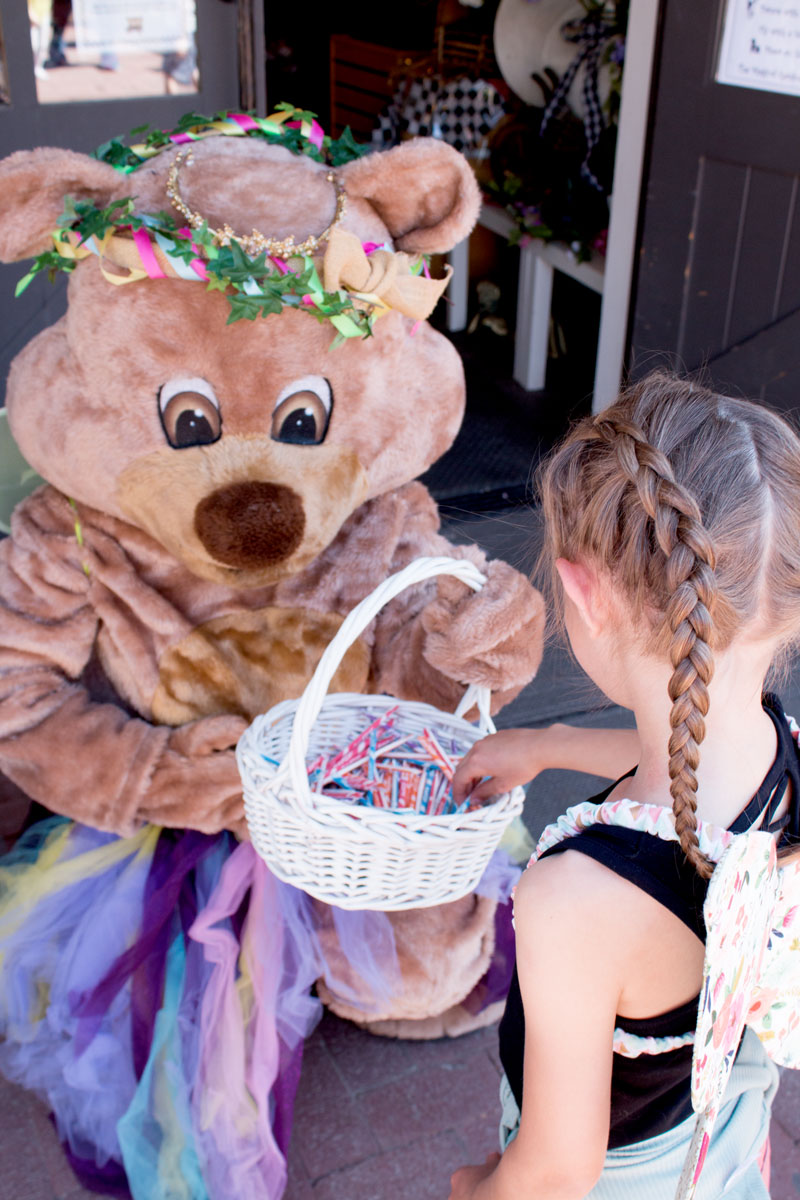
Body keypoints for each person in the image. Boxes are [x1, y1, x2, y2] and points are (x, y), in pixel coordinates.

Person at [448, 372, 800, 1199]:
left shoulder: (576, 898)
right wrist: (550, 744)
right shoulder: (782, 748)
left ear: (581, 591)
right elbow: (682, 762)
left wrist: (474, 1192)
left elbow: (555, 1174)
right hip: (719, 1133)